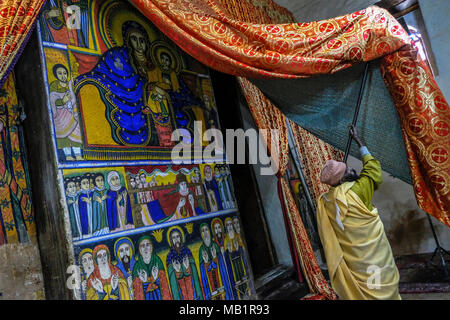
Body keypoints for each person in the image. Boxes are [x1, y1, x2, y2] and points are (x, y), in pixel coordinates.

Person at [316, 125, 401, 300]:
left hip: (356, 261)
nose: (350, 170)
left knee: (369, 289)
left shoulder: (326, 202)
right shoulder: (358, 189)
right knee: (380, 286)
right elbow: (374, 170)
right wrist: (359, 141)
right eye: (346, 170)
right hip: (375, 254)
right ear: (342, 177)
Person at [49, 63, 83, 161]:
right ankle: (68, 155)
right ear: (56, 75)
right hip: (61, 115)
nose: (63, 76)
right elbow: (52, 100)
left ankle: (78, 154)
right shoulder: (54, 85)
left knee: (76, 133)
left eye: (64, 73)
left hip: (72, 113)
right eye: (60, 73)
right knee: (64, 136)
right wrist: (62, 101)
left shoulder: (70, 85)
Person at [166, 227, 203, 300]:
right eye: (173, 238)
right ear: (171, 240)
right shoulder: (169, 256)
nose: (176, 240)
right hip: (180, 288)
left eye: (177, 237)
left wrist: (188, 267)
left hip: (191, 284)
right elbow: (171, 275)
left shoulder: (187, 251)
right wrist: (177, 271)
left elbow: (193, 267)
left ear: (181, 238)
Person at [132, 236, 172, 300]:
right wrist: (144, 282)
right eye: (142, 246)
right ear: (139, 249)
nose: (145, 248)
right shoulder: (137, 267)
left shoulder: (157, 261)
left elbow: (164, 285)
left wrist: (156, 278)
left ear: (152, 247)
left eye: (147, 245)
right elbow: (137, 292)